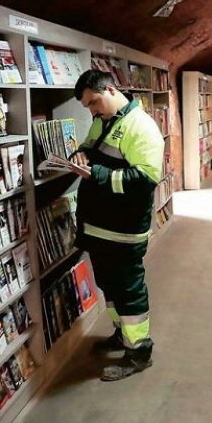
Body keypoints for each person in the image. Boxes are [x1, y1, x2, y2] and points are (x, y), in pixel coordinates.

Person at [70, 69, 164, 381]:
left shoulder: (141, 126)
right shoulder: (103, 121)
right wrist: (80, 155)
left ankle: (139, 351)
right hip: (99, 227)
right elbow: (90, 148)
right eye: (88, 107)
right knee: (108, 286)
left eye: (94, 102)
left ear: (110, 89)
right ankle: (121, 333)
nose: (92, 110)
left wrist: (94, 174)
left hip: (123, 230)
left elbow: (145, 180)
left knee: (129, 290)